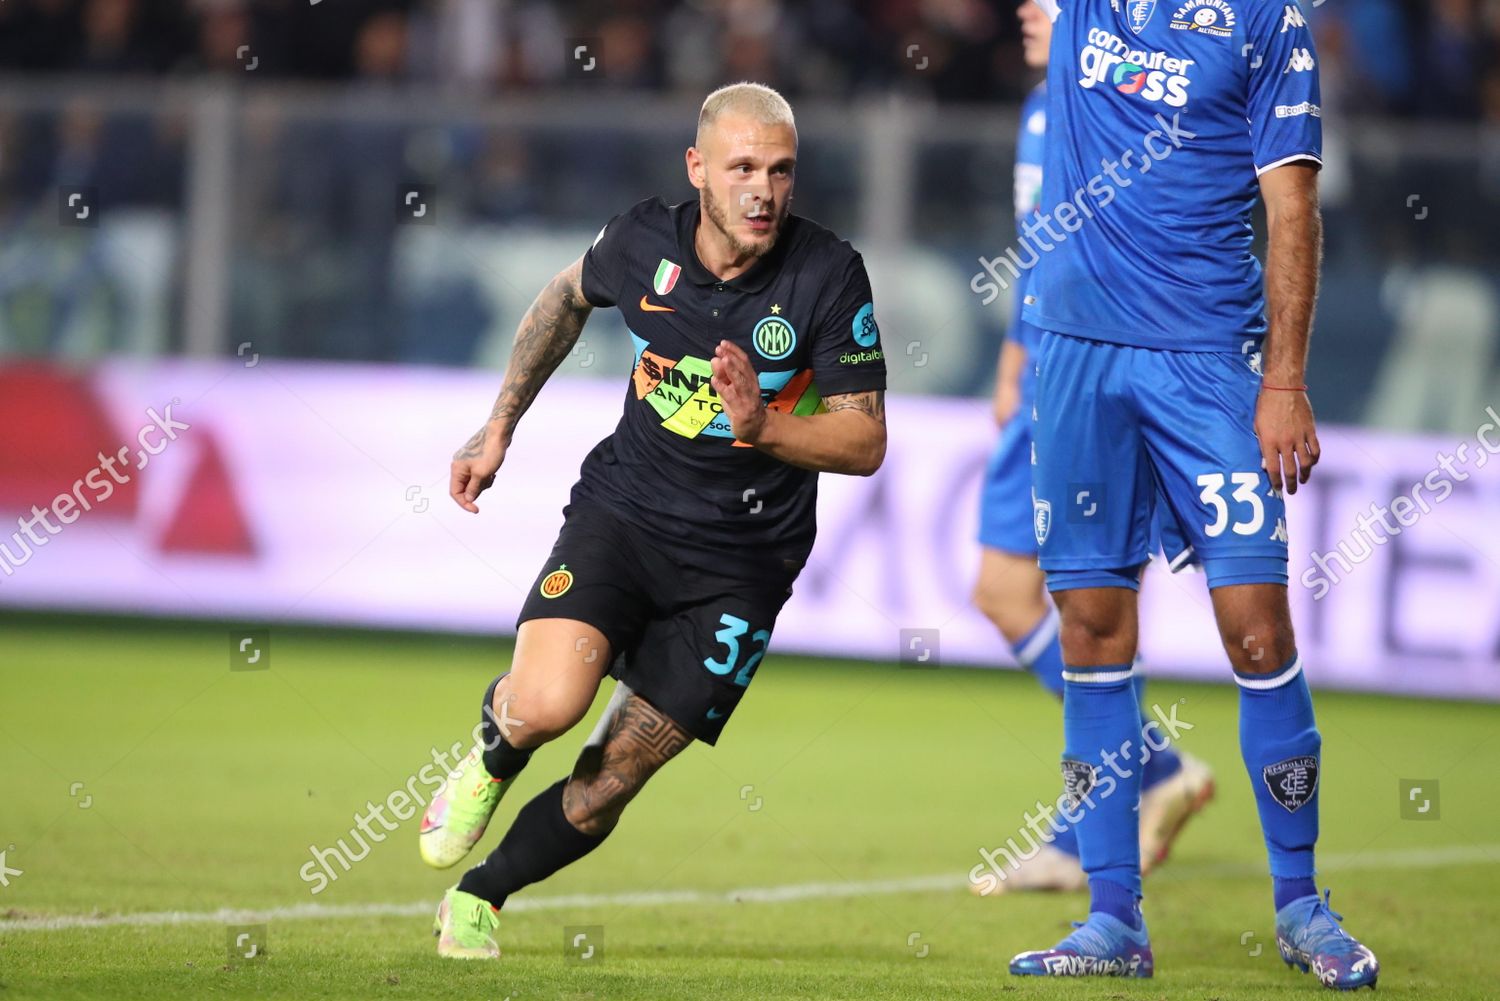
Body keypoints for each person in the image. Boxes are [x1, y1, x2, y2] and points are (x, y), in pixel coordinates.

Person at [416, 82, 889, 960]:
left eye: (782, 172)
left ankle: (480, 894)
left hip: (743, 566)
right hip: (625, 515)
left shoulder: (827, 273)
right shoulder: (642, 240)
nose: (763, 191)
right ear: (697, 168)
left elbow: (864, 440)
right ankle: (494, 747)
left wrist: (765, 426)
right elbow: (564, 300)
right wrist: (499, 425)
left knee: (608, 783)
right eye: (743, 167)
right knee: (547, 705)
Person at [1004, 0, 1380, 988]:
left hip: (1207, 362)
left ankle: (1300, 901)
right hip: (1076, 353)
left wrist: (1285, 380)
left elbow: (1293, 206)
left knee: (1257, 625)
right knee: (1089, 623)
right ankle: (1111, 916)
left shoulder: (1266, 17)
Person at [971, 0, 1213, 896]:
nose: (1026, 14)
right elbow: (1042, 245)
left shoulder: (1107, 103)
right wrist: (1009, 349)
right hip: (1041, 363)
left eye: (1049, 0)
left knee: (1068, 599)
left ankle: (1101, 822)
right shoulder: (1045, 107)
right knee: (1029, 597)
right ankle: (1140, 781)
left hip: (1081, 375)